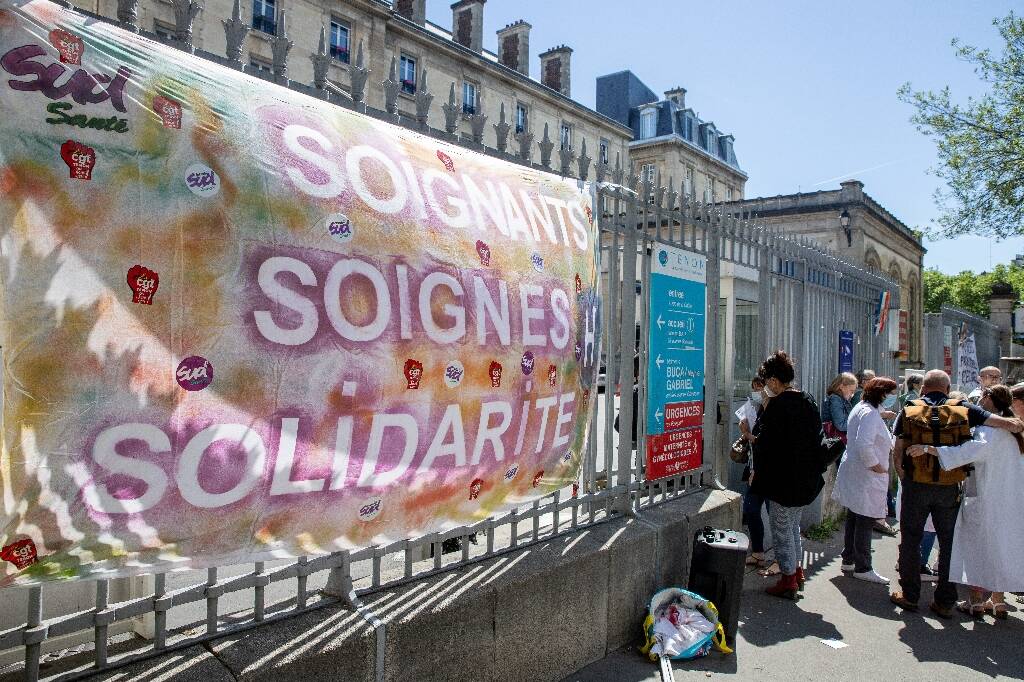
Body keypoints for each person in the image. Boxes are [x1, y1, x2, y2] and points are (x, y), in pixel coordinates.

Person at [889, 370, 1024, 618]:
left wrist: (904, 477)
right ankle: (944, 601)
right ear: (948, 387)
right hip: (949, 487)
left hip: (916, 485)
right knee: (948, 542)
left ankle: (910, 595)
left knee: (910, 539)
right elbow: (997, 423)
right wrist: (1015, 423)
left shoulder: (908, 408)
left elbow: (897, 449)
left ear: (923, 389)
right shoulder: (963, 408)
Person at [749, 350, 828, 600]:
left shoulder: (779, 405)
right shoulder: (807, 399)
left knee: (782, 529)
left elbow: (766, 444)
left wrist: (763, 410)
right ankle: (797, 571)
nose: (765, 388)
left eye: (766, 382)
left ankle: (788, 579)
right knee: (793, 527)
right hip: (805, 480)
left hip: (783, 481)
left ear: (774, 381)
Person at [833, 376, 899, 584]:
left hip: (857, 473)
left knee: (855, 516)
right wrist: (877, 467)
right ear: (881, 394)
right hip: (867, 475)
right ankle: (863, 566)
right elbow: (864, 444)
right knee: (865, 520)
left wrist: (882, 414)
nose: (891, 399)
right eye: (889, 394)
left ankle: (849, 559)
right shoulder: (870, 414)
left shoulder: (863, 407)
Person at [737, 377, 770, 570]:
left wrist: (748, 434)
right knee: (751, 508)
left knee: (776, 515)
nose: (756, 392)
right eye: (754, 388)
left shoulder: (772, 411)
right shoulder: (754, 407)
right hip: (754, 467)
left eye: (759, 388)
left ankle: (783, 562)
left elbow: (766, 442)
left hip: (766, 471)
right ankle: (758, 552)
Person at [822, 373, 857, 442]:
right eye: (851, 391)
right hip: (837, 442)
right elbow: (841, 425)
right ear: (841, 387)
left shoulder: (841, 399)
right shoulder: (835, 399)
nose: (852, 395)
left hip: (839, 442)